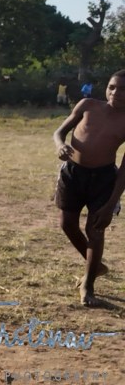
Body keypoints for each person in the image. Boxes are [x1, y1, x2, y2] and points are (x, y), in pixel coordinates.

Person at [53, 69, 125, 307]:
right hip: (73, 174)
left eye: (123, 89)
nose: (115, 93)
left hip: (104, 179)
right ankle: (96, 266)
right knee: (67, 224)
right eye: (112, 87)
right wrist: (61, 145)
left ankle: (88, 285)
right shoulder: (88, 105)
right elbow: (59, 132)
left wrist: (111, 202)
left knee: (95, 230)